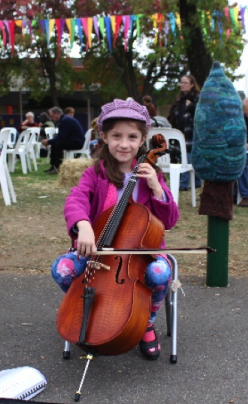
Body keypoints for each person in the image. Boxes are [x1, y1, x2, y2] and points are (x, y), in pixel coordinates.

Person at [51, 98, 179, 360]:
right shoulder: (95, 173)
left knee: (160, 272)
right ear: (104, 137)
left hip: (141, 255)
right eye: (116, 136)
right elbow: (75, 199)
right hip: (97, 251)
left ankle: (145, 321)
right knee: (62, 269)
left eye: (132, 137)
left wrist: (156, 187)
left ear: (142, 138)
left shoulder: (151, 173)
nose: (124, 144)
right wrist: (83, 225)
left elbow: (169, 220)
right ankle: (88, 309)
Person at [168, 74, 201, 191]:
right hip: (179, 130)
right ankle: (193, 181)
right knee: (181, 156)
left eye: (185, 82)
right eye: (181, 82)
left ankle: (185, 183)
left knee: (188, 156)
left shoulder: (197, 97)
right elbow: (173, 114)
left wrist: (191, 105)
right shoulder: (179, 99)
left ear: (192, 84)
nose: (182, 85)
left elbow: (202, 112)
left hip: (191, 131)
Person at [40, 106, 85, 174]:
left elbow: (61, 137)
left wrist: (48, 141)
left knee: (58, 144)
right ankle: (53, 166)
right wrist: (50, 141)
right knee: (55, 143)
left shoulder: (65, 120)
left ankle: (58, 167)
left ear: (57, 114)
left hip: (77, 143)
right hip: (74, 140)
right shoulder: (64, 119)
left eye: (52, 116)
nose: (51, 118)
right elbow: (61, 136)